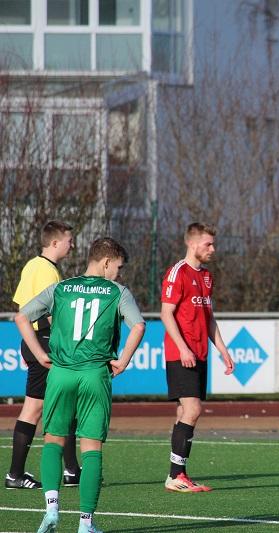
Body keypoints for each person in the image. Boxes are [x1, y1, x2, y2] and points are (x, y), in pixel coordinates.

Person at [15, 237, 146, 533]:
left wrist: (39, 354)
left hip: (61, 373)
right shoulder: (118, 292)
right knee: (91, 448)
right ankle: (85, 523)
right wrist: (123, 360)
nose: (119, 274)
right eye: (119, 267)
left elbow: (21, 317)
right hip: (94, 375)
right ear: (107, 262)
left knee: (53, 440)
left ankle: (51, 508)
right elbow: (138, 325)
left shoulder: (61, 288)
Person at [6, 220, 81, 490]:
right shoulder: (48, 271)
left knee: (65, 403)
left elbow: (21, 304)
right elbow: (49, 313)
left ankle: (72, 470)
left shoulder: (32, 265)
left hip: (36, 340)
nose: (72, 245)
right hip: (45, 341)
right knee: (35, 408)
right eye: (69, 240)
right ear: (55, 242)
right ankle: (15, 474)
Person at [162, 222, 234, 493]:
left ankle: (176, 475)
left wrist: (223, 350)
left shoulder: (206, 277)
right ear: (192, 244)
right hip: (181, 354)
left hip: (199, 353)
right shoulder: (177, 272)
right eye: (208, 244)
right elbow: (166, 313)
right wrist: (182, 348)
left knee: (184, 412)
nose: (213, 249)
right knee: (192, 410)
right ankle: (176, 475)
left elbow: (209, 318)